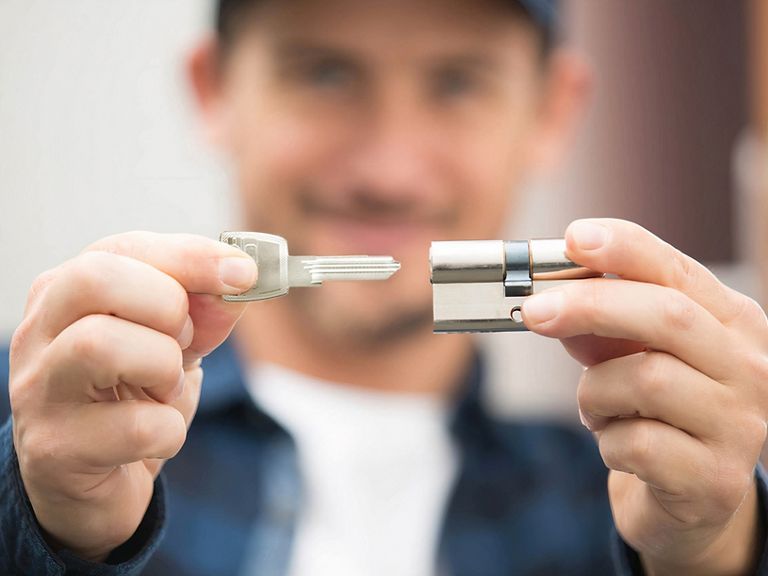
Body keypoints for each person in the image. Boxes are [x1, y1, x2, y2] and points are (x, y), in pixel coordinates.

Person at [2, 0, 767, 574]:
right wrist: (50, 526)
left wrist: (716, 550)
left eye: (457, 82)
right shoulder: (42, 425)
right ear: (215, 90)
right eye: (325, 72)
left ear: (551, 111)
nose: (389, 171)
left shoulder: (620, 502)